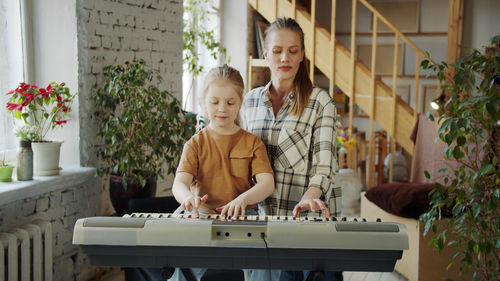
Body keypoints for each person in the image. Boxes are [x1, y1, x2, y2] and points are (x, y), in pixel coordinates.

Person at [242, 17, 342, 281]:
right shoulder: (249, 101)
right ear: (266, 54)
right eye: (277, 51)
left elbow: (324, 166)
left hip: (306, 227)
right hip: (262, 227)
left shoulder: (321, 102)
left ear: (302, 55)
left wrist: (311, 196)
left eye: (293, 50)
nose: (284, 57)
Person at [168, 64, 275, 281]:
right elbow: (179, 183)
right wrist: (188, 198)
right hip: (203, 216)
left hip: (245, 218)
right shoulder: (195, 144)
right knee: (182, 264)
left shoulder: (253, 143)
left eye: (230, 102)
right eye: (215, 102)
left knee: (268, 260)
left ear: (240, 103)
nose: (222, 109)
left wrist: (243, 200)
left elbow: (267, 183)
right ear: (204, 102)